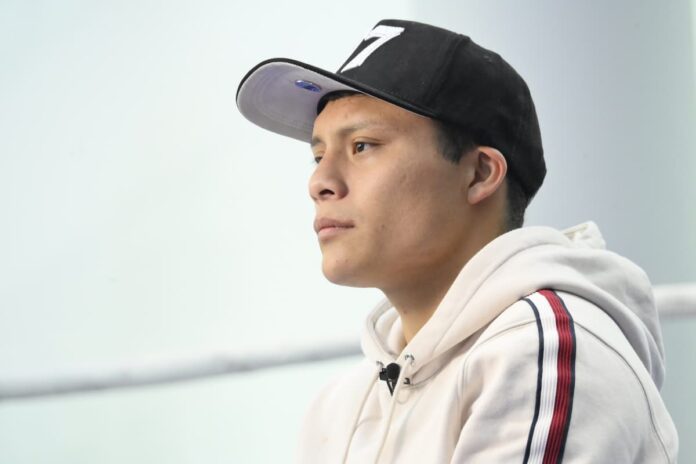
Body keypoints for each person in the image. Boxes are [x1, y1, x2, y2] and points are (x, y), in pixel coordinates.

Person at [236, 19, 678, 463]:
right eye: (317, 155)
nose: (320, 181)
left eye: (363, 146)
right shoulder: (340, 407)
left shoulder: (541, 353)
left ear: (480, 173)